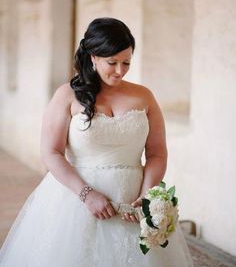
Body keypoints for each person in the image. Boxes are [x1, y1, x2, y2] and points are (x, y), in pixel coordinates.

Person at [0, 17, 193, 266]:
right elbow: (51, 152)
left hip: (132, 200)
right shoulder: (66, 95)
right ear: (93, 57)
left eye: (126, 62)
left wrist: (147, 194)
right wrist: (86, 194)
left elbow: (157, 153)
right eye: (112, 62)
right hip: (76, 199)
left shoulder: (144, 96)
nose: (120, 71)